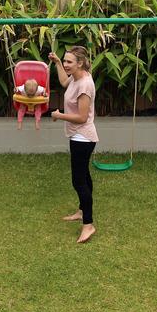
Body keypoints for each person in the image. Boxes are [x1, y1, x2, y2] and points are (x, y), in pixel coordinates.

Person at [48, 46, 98, 244]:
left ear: (80, 63)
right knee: (84, 176)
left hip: (83, 137)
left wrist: (59, 115)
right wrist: (58, 64)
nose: (66, 64)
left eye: (69, 62)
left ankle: (88, 224)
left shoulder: (84, 84)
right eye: (65, 61)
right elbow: (63, 82)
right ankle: (82, 211)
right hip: (79, 137)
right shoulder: (76, 78)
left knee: (78, 181)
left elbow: (82, 117)